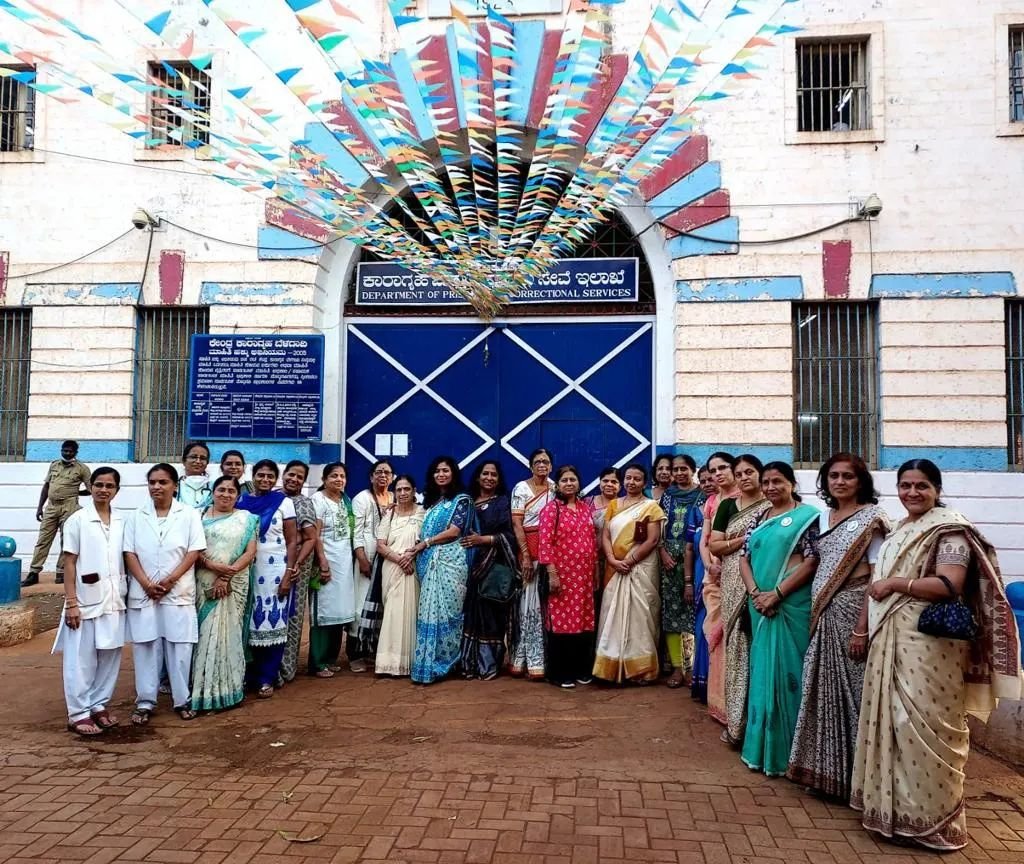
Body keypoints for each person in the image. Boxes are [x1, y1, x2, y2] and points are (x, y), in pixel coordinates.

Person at [850, 460, 1023, 851]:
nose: (912, 493)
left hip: (928, 648)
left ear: (937, 489)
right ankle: (892, 816)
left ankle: (933, 823)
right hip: (889, 639)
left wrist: (897, 583)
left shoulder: (950, 532)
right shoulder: (901, 529)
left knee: (925, 729)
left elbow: (949, 583)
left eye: (921, 486)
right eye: (906, 486)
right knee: (892, 726)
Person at [787, 453, 890, 800]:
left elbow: (877, 574)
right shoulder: (823, 517)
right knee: (821, 689)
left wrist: (862, 628)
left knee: (854, 694)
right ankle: (825, 774)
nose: (840, 482)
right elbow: (813, 563)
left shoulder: (872, 520)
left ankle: (856, 778)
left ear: (861, 481)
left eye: (848, 476)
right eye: (834, 476)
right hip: (823, 613)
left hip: (852, 612)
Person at [738, 461, 820, 776]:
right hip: (759, 603)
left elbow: (812, 560)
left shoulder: (808, 518)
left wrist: (778, 594)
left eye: (778, 482)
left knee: (789, 674)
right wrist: (757, 592)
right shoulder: (759, 517)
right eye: (767, 482)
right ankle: (760, 749)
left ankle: (790, 755)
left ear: (792, 484)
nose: (772, 488)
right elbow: (744, 558)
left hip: (790, 605)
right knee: (762, 674)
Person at [124, 463, 206, 725]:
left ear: (175, 485)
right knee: (146, 647)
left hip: (177, 591)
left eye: (163, 482)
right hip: (144, 592)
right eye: (152, 482)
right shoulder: (136, 516)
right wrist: (146, 583)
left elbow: (193, 551)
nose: (157, 487)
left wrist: (170, 580)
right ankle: (145, 701)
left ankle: (182, 700)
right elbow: (130, 553)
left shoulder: (189, 514)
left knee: (179, 647)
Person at [53, 467, 127, 736]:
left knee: (110, 654)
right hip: (84, 600)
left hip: (114, 598)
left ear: (117, 491)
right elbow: (69, 562)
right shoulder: (78, 520)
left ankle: (98, 705)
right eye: (98, 484)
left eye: (109, 486)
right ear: (90, 487)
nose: (103, 490)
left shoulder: (122, 521)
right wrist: (71, 602)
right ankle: (78, 712)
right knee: (81, 659)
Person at [709, 453, 769, 742]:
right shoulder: (728, 506)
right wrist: (743, 539)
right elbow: (715, 544)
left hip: (767, 582)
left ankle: (765, 726)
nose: (745, 477)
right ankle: (737, 723)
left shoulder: (774, 506)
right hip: (734, 583)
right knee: (738, 647)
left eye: (750, 472)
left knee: (764, 648)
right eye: (740, 473)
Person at [593, 463, 665, 684]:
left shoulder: (652, 507)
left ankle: (641, 670)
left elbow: (653, 540)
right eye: (628, 478)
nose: (632, 482)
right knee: (610, 615)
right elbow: (605, 536)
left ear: (645, 482)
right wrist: (614, 561)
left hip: (640, 568)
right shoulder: (614, 505)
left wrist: (630, 560)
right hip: (615, 569)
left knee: (641, 616)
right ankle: (609, 666)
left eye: (637, 479)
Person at [190, 476, 258, 712]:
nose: (226, 494)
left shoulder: (246, 519)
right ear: (213, 491)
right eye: (221, 490)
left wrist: (226, 575)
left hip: (234, 582)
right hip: (204, 581)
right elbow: (192, 550)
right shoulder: (197, 517)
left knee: (228, 633)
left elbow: (250, 552)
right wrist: (212, 567)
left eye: (231, 491)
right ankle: (202, 691)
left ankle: (229, 690)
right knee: (205, 634)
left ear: (237, 496)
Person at [411, 456, 474, 684]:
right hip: (430, 561)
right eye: (437, 471)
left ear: (453, 473)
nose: (441, 474)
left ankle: (448, 663)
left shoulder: (462, 500)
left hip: (451, 562)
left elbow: (454, 531)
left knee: (450, 614)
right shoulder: (432, 503)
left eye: (445, 470)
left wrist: (425, 544)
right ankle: (427, 665)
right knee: (428, 611)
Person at [237, 459, 297, 696]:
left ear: (276, 479)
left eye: (270, 476)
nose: (265, 480)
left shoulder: (284, 503)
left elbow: (292, 540)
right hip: (247, 569)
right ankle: (248, 675)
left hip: (275, 571)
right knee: (248, 623)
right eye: (260, 475)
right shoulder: (242, 502)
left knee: (274, 622)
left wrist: (289, 574)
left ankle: (267, 677)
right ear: (253, 476)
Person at [538, 465, 597, 688]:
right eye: (564, 480)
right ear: (558, 484)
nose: (569, 483)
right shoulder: (552, 510)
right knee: (562, 625)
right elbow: (545, 544)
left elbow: (592, 542)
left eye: (573, 479)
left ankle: (581, 670)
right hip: (562, 578)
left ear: (579, 483)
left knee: (583, 625)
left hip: (584, 579)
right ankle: (559, 673)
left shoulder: (585, 508)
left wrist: (595, 573)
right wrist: (552, 574)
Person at [459, 460, 518, 680]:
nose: (489, 478)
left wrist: (482, 540)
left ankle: (488, 665)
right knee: (469, 616)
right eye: (485, 473)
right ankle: (468, 664)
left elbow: (510, 536)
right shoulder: (467, 502)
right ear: (477, 477)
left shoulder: (502, 503)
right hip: (467, 567)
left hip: (491, 567)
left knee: (491, 617)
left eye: (494, 474)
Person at [508, 448, 555, 680]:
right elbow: (517, 523)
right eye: (537, 462)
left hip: (550, 548)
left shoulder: (555, 487)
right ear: (530, 465)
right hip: (528, 545)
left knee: (547, 602)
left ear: (551, 466)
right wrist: (525, 554)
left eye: (546, 462)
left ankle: (545, 659)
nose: (542, 466)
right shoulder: (521, 488)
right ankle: (525, 658)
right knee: (529, 602)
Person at [700, 452, 739, 722]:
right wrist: (710, 566)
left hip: (739, 574)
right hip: (713, 577)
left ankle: (736, 704)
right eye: (713, 470)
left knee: (736, 638)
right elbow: (704, 541)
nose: (718, 474)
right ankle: (719, 704)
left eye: (723, 467)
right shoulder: (712, 502)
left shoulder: (746, 498)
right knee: (717, 638)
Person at [658, 454, 703, 688]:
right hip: (669, 563)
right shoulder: (667, 497)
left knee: (693, 613)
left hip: (695, 560)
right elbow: (658, 527)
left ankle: (692, 668)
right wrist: (662, 552)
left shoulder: (702, 495)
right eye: (676, 470)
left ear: (693, 470)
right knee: (671, 615)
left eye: (684, 469)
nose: (679, 473)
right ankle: (677, 668)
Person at [309, 462, 355, 678]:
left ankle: (330, 658)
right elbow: (315, 535)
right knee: (324, 612)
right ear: (324, 479)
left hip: (344, 563)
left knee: (340, 611)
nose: (339, 480)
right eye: (334, 476)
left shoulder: (345, 501)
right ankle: (318, 662)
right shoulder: (318, 500)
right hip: (326, 561)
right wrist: (322, 561)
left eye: (342, 476)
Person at [375, 475, 425, 677]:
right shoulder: (390, 515)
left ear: (414, 491)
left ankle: (408, 663)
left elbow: (426, 540)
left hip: (413, 567)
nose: (403, 493)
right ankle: (387, 663)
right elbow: (380, 545)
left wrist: (410, 558)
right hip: (394, 567)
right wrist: (400, 559)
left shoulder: (423, 513)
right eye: (399, 490)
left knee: (411, 611)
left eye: (407, 489)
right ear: (394, 493)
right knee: (392, 613)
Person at [24, 439, 90, 587]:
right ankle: (33, 573)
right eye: (64, 450)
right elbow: (46, 486)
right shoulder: (54, 465)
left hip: (69, 507)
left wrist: (76, 493)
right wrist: (39, 507)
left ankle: (61, 572)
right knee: (43, 540)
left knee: (66, 540)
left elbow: (92, 489)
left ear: (75, 452)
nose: (67, 453)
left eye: (70, 451)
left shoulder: (82, 468)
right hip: (51, 507)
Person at [352, 460, 395, 671]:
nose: (383, 476)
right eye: (378, 472)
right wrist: (361, 559)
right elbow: (357, 532)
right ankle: (354, 654)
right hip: (367, 557)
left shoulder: (394, 497)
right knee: (361, 604)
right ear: (371, 477)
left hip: (386, 559)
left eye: (387, 472)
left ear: (392, 477)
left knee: (381, 604)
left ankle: (371, 650)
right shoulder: (362, 498)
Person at [280, 460, 319, 683]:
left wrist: (295, 565)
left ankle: (286, 669)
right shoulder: (275, 497)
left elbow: (311, 538)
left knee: (292, 616)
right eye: (291, 475)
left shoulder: (303, 503)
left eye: (299, 477)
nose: (294, 479)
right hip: (272, 564)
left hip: (297, 568)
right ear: (284, 475)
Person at [686, 465, 717, 701]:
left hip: (722, 575)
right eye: (703, 481)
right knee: (702, 627)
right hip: (700, 574)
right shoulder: (697, 511)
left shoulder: (731, 509)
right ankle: (702, 682)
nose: (707, 484)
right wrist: (688, 580)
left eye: (711, 479)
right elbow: (690, 548)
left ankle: (719, 686)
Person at [587, 466, 621, 618]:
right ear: (599, 483)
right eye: (605, 481)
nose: (609, 484)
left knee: (611, 601)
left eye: (614, 481)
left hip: (614, 562)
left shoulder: (623, 506)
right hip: (590, 561)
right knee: (591, 600)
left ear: (620, 486)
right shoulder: (587, 503)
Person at [177, 441, 212, 510]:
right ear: (184, 460)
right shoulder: (175, 486)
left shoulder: (214, 487)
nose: (198, 461)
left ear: (207, 463)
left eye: (202, 458)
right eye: (193, 457)